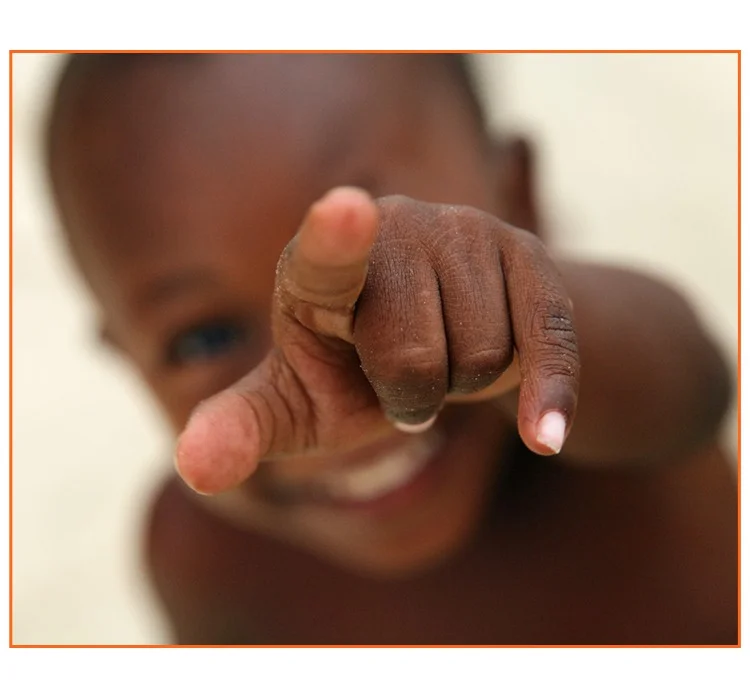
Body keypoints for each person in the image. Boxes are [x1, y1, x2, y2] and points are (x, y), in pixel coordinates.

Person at [45, 53, 737, 644]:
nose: (320, 374)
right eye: (208, 336)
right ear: (127, 357)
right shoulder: (205, 560)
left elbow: (693, 384)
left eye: (379, 277)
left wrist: (528, 337)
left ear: (517, 198)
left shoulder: (613, 433)